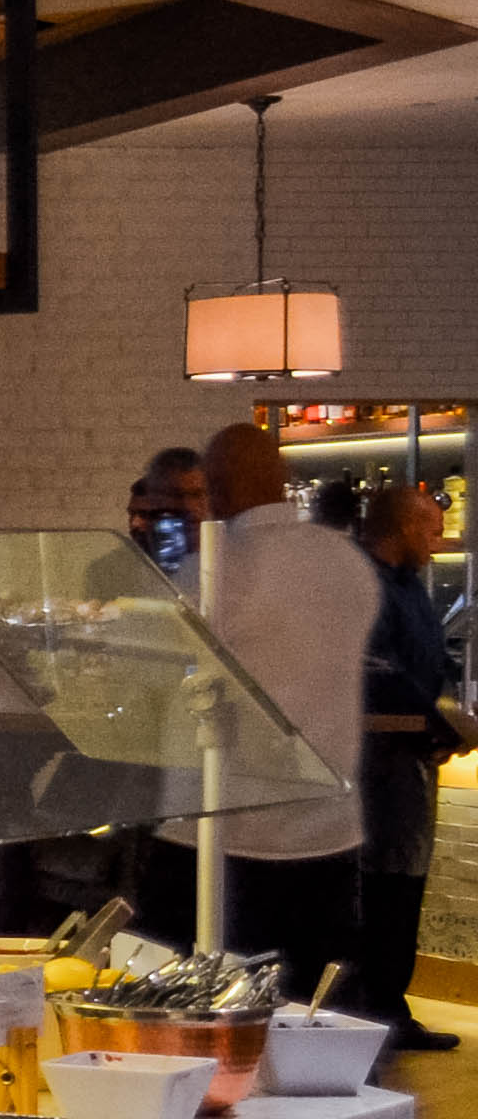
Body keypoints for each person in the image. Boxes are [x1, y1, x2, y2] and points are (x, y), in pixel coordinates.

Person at [180, 422, 375, 995]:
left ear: (214, 488)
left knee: (204, 1010)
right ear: (285, 479)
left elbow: (173, 680)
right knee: (310, 1013)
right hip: (329, 828)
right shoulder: (347, 562)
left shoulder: (215, 568)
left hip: (225, 828)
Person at [352, 477, 463, 1049]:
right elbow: (376, 673)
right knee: (384, 883)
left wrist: (444, 719)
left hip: (412, 754)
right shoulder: (362, 584)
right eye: (432, 530)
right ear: (402, 526)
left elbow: (432, 660)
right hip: (374, 761)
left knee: (406, 881)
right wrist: (438, 722)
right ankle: (373, 1010)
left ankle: (391, 1006)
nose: (439, 543)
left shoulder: (410, 587)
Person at [129, 446, 210, 584]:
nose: (189, 506)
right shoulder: (127, 566)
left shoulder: (228, 559)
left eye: (196, 495)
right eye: (176, 496)